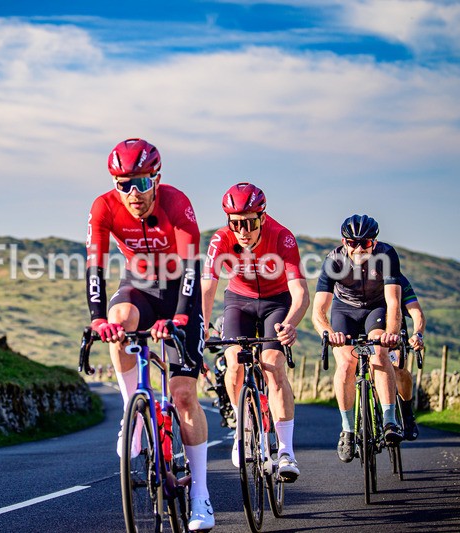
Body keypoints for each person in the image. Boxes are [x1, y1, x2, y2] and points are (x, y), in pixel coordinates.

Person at [85, 138, 214, 531]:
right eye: (124, 183)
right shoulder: (103, 207)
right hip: (138, 285)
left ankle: (201, 497)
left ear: (156, 178)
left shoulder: (176, 203)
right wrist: (97, 319)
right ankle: (133, 414)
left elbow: (192, 270)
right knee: (118, 319)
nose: (133, 193)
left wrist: (177, 318)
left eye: (141, 182)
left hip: (179, 291)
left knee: (182, 393)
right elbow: (95, 268)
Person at [201, 182, 309, 481]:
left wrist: (291, 323)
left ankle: (286, 450)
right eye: (235, 223)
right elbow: (208, 287)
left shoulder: (282, 237)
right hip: (239, 300)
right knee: (235, 363)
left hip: (277, 301)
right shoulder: (220, 239)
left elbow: (300, 292)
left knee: (273, 365)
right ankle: (243, 429)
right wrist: (199, 328)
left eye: (249, 222)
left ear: (262, 216)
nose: (242, 230)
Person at [311, 214, 404, 463]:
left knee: (380, 352)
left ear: (375, 242)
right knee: (345, 363)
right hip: (345, 310)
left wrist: (392, 332)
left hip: (377, 308)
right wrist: (329, 333)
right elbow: (319, 310)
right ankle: (347, 430)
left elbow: (394, 301)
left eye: (366, 243)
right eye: (353, 243)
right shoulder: (334, 260)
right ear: (344, 242)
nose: (359, 248)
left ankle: (389, 420)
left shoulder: (387, 255)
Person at [390, 274, 426, 440]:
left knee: (399, 368)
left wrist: (417, 334)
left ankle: (406, 414)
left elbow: (416, 311)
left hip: (395, 328)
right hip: (366, 326)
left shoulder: (398, 279)